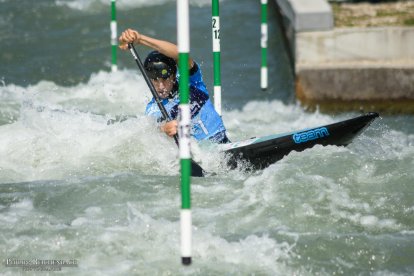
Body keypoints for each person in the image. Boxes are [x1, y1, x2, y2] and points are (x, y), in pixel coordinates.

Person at [119, 29, 230, 144]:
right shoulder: (154, 108)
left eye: (165, 79)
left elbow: (179, 54)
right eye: (155, 81)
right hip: (200, 154)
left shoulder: (191, 81)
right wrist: (163, 129)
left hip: (223, 142)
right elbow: (154, 129)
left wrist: (141, 39)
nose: (161, 86)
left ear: (173, 76)